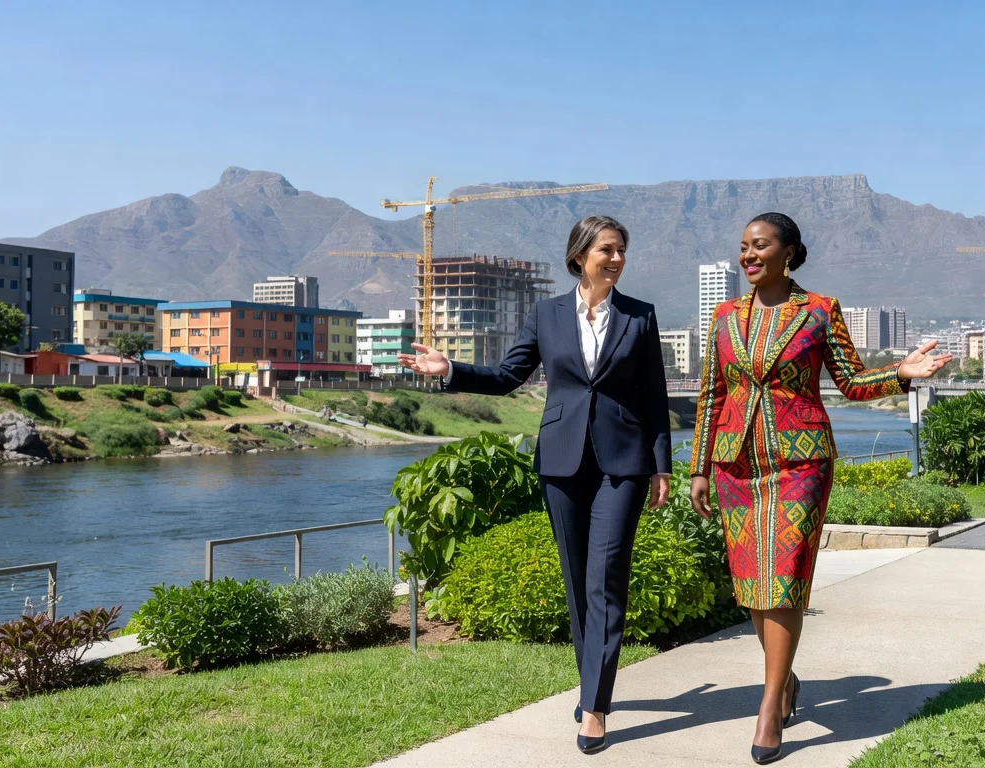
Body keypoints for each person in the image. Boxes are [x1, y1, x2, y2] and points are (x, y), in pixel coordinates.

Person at [400, 215, 671, 755]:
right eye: (608, 250)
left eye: (622, 251)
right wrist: (451, 367)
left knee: (607, 580)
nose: (617, 259)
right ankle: (592, 682)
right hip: (563, 462)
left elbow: (655, 396)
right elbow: (507, 376)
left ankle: (595, 707)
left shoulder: (640, 317)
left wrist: (662, 465)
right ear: (580, 256)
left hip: (624, 464)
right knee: (576, 584)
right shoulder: (546, 314)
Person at [689, 212, 952, 764]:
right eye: (743, 248)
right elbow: (711, 396)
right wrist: (699, 469)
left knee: (782, 577)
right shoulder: (722, 316)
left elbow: (853, 384)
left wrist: (900, 375)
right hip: (736, 465)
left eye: (759, 246)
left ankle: (767, 710)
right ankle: (785, 683)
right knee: (751, 583)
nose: (748, 256)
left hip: (800, 463)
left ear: (789, 253)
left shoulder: (819, 312)